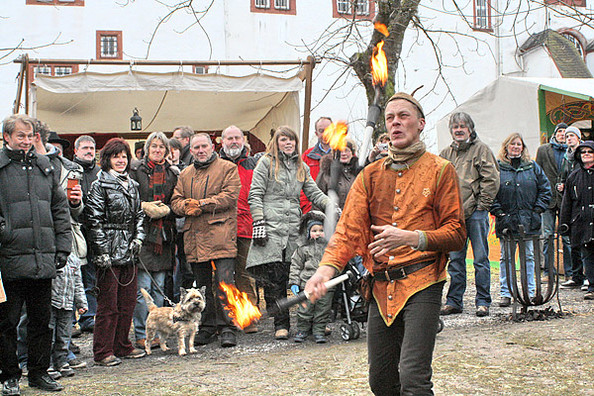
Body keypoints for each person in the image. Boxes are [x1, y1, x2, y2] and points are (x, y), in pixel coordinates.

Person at [305, 93, 465, 395]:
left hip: (423, 281)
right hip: (380, 286)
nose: (395, 122)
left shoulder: (441, 169)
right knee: (380, 380)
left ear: (420, 124)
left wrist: (412, 237)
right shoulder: (369, 175)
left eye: (403, 116)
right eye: (390, 117)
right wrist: (324, 271)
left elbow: (456, 233)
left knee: (414, 379)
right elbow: (347, 232)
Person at [0, 114, 72, 394]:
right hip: (8, 258)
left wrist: (63, 246)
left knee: (42, 322)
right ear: (7, 137)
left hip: (43, 258)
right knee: (6, 322)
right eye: (21, 136)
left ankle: (39, 373)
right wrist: (5, 231)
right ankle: (8, 376)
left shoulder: (45, 167)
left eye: (30, 136)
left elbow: (59, 210)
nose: (27, 141)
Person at [247, 126, 333, 341]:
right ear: (276, 142)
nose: (288, 143)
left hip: (293, 227)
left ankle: (310, 321)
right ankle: (281, 324)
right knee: (274, 280)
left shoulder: (301, 166)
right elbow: (255, 194)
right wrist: (259, 221)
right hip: (269, 228)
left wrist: (332, 206)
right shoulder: (265, 163)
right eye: (283, 140)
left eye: (291, 140)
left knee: (298, 276)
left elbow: (313, 192)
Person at [171, 133, 241, 348]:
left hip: (221, 236)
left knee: (224, 283)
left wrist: (200, 204)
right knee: (201, 287)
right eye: (196, 147)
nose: (200, 150)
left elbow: (230, 196)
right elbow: (176, 200)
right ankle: (208, 326)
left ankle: (227, 327)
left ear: (212, 147)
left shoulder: (228, 168)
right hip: (195, 237)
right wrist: (185, 207)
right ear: (190, 150)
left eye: (204, 146)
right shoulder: (185, 174)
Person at [84, 138, 147, 366]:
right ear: (107, 159)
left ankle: (122, 345)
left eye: (124, 156)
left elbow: (139, 215)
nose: (120, 160)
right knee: (108, 305)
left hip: (129, 250)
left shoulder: (132, 185)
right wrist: (101, 252)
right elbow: (94, 221)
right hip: (108, 250)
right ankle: (102, 351)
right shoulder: (99, 186)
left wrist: (138, 238)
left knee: (127, 302)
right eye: (116, 156)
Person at [439, 112, 500, 317]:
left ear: (470, 129)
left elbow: (491, 179)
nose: (458, 130)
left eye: (462, 126)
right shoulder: (445, 154)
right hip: (453, 217)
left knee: (481, 259)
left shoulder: (481, 150)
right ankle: (454, 301)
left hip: (476, 213)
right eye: (455, 127)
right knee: (455, 260)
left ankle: (483, 301)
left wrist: (482, 206)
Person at [130, 132, 178, 349]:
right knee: (143, 290)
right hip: (142, 235)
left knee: (159, 288)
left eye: (162, 147)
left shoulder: (172, 174)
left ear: (166, 151)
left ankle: (159, 332)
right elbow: (128, 198)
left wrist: (170, 209)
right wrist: (143, 206)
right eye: (154, 147)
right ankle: (142, 332)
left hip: (164, 237)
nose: (158, 150)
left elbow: (176, 200)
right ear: (147, 149)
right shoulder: (135, 171)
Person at [490, 133, 551, 307]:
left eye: (519, 144)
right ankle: (506, 292)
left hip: (529, 221)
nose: (516, 147)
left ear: (523, 147)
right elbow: (490, 191)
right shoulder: (498, 167)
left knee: (529, 257)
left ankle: (529, 291)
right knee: (506, 258)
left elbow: (545, 189)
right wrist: (499, 212)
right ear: (506, 147)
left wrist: (537, 210)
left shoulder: (532, 167)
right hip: (506, 221)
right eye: (513, 144)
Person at [219, 125, 259, 333]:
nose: (233, 141)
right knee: (224, 275)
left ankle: (249, 316)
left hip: (247, 227)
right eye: (229, 138)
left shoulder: (254, 164)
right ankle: (228, 317)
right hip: (221, 229)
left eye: (237, 138)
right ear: (222, 141)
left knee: (245, 274)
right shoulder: (215, 165)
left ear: (243, 140)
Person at [289, 211, 331, 343]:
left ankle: (319, 331)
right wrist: (294, 282)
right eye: (314, 230)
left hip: (326, 285)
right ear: (307, 232)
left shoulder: (329, 248)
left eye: (321, 230)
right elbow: (295, 265)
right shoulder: (302, 249)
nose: (318, 233)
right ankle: (302, 329)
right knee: (305, 309)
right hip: (306, 283)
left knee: (323, 309)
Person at [559, 141, 594, 300]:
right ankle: (592, 286)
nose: (586, 154)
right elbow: (567, 202)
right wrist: (565, 224)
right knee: (587, 254)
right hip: (581, 222)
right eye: (583, 152)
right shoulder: (574, 176)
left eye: (590, 151)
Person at [72, 135, 100, 335]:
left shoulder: (100, 173)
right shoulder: (71, 172)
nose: (89, 151)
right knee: (81, 278)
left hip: (97, 232)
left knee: (95, 277)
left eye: (92, 148)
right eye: (85, 148)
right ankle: (84, 317)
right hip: (78, 231)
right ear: (76, 151)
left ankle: (93, 315)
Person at [536, 122, 568, 282]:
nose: (562, 134)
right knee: (547, 235)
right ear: (555, 133)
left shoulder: (572, 151)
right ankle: (548, 271)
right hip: (548, 200)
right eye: (560, 131)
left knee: (567, 236)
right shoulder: (543, 150)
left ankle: (570, 273)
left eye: (565, 132)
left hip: (566, 200)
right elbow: (538, 173)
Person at [558, 126, 585, 289]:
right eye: (567, 136)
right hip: (571, 201)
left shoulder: (586, 154)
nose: (569, 138)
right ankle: (576, 276)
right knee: (573, 241)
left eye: (572, 135)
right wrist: (560, 186)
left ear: (578, 138)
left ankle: (589, 276)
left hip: (586, 201)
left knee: (587, 242)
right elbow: (562, 177)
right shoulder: (565, 158)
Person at [316, 138, 362, 209]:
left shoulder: (358, 173)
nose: (343, 154)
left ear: (352, 153)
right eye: (340, 151)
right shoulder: (326, 173)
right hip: (330, 217)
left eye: (346, 150)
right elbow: (317, 197)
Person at [300, 117, 333, 212]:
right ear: (316, 133)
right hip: (313, 209)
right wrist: (307, 207)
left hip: (338, 209)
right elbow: (300, 184)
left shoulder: (345, 154)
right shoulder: (307, 156)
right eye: (321, 131)